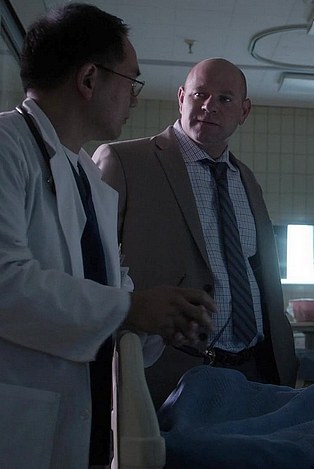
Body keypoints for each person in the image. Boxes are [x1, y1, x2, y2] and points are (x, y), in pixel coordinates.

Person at [0, 4, 215, 468]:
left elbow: (107, 288)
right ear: (89, 79)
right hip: (16, 419)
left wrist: (155, 320)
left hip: (78, 416)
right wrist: (130, 307)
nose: (134, 99)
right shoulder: (6, 147)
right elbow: (4, 282)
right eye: (131, 81)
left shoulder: (86, 174)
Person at [93, 58, 298, 409]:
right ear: (181, 98)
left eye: (225, 99)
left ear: (244, 111)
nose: (209, 106)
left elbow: (257, 272)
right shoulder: (124, 162)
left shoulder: (246, 179)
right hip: (169, 371)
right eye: (200, 94)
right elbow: (90, 269)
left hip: (256, 368)